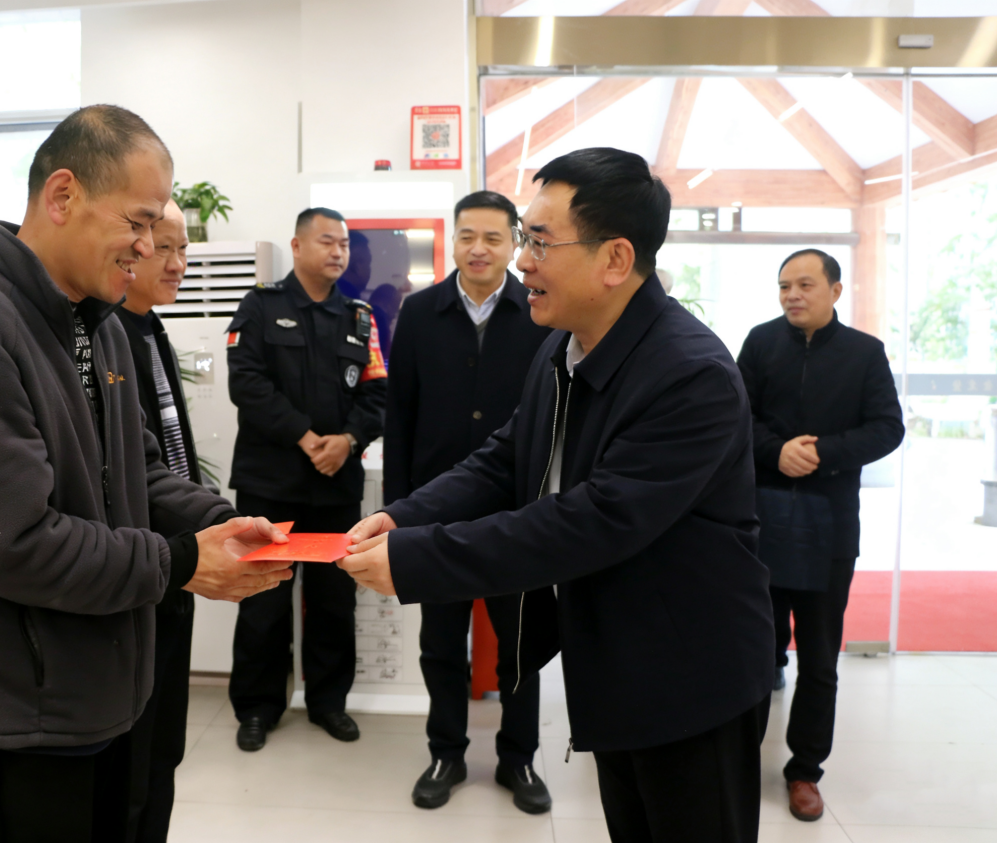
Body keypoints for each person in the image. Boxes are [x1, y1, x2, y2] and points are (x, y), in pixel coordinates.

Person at [0, 105, 293, 843]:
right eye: (138, 222)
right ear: (63, 195)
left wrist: (215, 520)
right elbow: (15, 544)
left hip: (111, 692)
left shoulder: (94, 322)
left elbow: (135, 473)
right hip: (26, 716)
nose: (149, 247)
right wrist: (182, 562)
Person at [341, 147, 775, 843]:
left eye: (540, 242)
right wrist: (403, 516)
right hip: (613, 657)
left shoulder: (690, 374)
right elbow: (506, 456)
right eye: (525, 239)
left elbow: (591, 520)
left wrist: (418, 558)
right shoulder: (563, 346)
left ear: (615, 259)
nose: (521, 261)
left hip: (690, 673)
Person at [382, 190, 552, 813]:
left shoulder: (539, 310)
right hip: (435, 510)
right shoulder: (419, 311)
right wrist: (399, 510)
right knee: (441, 642)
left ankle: (519, 758)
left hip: (516, 511)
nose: (478, 249)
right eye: (466, 236)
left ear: (514, 244)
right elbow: (399, 416)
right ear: (452, 241)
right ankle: (446, 752)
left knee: (520, 644)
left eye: (492, 237)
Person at [736, 249, 904, 823]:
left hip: (829, 523)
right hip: (761, 518)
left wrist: (821, 453)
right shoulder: (761, 343)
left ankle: (805, 769)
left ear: (835, 290)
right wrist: (776, 451)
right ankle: (738, 759)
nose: (792, 295)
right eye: (784, 285)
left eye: (805, 284)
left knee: (820, 657)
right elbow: (735, 416)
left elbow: (887, 428)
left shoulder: (864, 353)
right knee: (754, 650)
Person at [225, 207, 387, 751]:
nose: (338, 251)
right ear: (296, 247)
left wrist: (348, 440)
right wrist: (304, 435)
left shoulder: (360, 318)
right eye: (326, 241)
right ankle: (257, 708)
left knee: (334, 600)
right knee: (263, 600)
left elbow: (377, 392)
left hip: (335, 485)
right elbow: (246, 382)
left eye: (344, 243)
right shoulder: (260, 305)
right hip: (269, 486)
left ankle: (328, 703)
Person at [112, 200, 202, 842]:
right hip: (142, 568)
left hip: (178, 561)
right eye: (162, 247)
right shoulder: (105, 335)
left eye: (182, 249)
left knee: (164, 748)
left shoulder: (151, 329)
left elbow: (172, 456)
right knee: (133, 763)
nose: (176, 264)